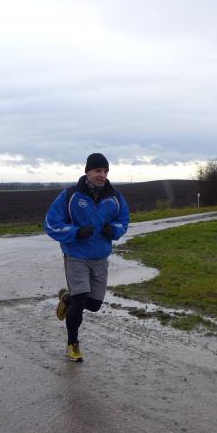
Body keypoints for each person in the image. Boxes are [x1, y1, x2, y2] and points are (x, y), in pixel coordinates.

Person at [44, 153, 130, 362]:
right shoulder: (71, 195)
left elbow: (124, 219)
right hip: (76, 255)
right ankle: (72, 345)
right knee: (80, 299)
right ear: (87, 172)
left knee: (94, 304)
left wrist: (114, 229)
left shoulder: (114, 196)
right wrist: (75, 232)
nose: (102, 175)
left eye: (105, 171)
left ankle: (67, 298)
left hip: (100, 257)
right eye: (98, 171)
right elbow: (51, 223)